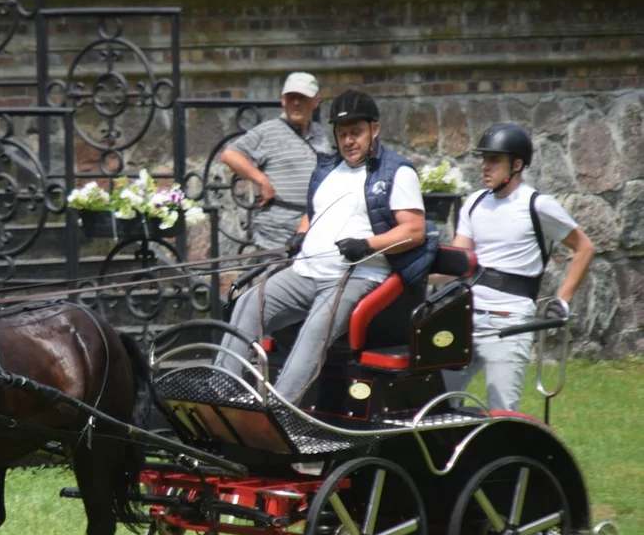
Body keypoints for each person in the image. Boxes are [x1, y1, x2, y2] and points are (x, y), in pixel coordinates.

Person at [216, 89, 436, 403]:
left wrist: (367, 245)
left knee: (314, 331)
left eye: (356, 133)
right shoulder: (327, 168)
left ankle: (281, 407)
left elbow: (413, 231)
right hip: (306, 271)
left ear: (374, 129)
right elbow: (315, 211)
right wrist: (301, 235)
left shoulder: (397, 172)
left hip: (359, 277)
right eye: (342, 133)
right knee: (249, 303)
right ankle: (220, 388)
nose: (348, 141)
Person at [443, 123, 595, 411]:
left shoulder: (537, 205)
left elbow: (584, 248)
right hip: (464, 317)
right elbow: (458, 262)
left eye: (494, 160)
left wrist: (563, 299)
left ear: (517, 164)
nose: (484, 166)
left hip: (509, 321)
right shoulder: (474, 202)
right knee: (436, 402)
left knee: (500, 411)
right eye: (484, 158)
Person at [220, 71, 331, 251]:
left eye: (302, 97)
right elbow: (230, 154)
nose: (296, 103)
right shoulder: (268, 131)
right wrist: (261, 180)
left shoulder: (319, 132)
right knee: (272, 278)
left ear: (315, 102)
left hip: (314, 225)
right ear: (283, 101)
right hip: (276, 229)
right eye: (291, 97)